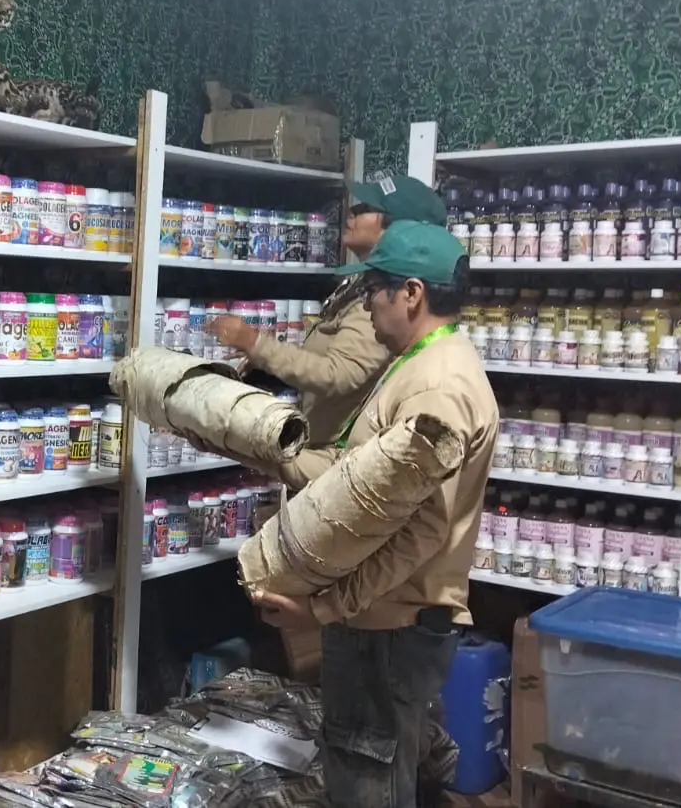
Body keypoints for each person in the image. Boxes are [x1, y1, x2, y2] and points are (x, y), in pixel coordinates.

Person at [254, 221, 496, 808]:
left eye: (373, 291)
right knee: (383, 770)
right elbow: (362, 476)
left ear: (411, 293)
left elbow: (419, 531)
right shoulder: (424, 360)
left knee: (367, 784)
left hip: (387, 629)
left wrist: (320, 609)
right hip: (389, 623)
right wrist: (277, 455)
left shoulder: (436, 388)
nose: (366, 306)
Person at [206, 173, 448, 488]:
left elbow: (339, 374)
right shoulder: (359, 284)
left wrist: (255, 344)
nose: (351, 212)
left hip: (336, 461)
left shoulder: (384, 301)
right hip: (322, 452)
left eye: (365, 208)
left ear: (396, 230)